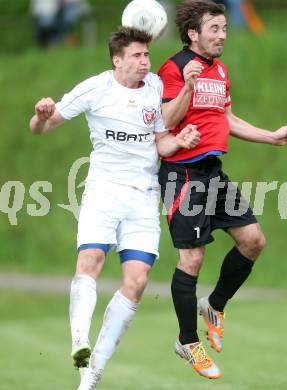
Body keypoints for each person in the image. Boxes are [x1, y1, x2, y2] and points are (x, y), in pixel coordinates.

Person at [29, 27, 200, 389]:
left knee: (136, 282)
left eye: (147, 55)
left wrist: (178, 140)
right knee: (90, 261)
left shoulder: (154, 87)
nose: (145, 62)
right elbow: (39, 129)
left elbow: (160, 142)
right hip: (104, 191)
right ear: (117, 60)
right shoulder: (96, 88)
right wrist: (42, 115)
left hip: (142, 196)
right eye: (138, 55)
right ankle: (80, 341)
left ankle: (93, 372)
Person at [158, 0, 287, 379]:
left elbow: (227, 118)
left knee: (253, 240)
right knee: (192, 260)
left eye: (224, 29)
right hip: (181, 175)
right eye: (214, 29)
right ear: (192, 33)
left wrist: (271, 136)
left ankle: (214, 305)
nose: (222, 35)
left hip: (212, 172)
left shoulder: (220, 70)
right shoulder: (172, 69)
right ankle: (188, 341)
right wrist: (187, 86)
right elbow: (165, 120)